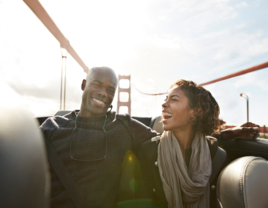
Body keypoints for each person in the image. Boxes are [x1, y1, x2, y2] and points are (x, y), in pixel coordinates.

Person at [40, 67, 259, 208]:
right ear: (83, 85)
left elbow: (179, 141)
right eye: (97, 84)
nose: (103, 93)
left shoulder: (124, 126)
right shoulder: (50, 127)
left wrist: (228, 133)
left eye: (111, 90)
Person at [141, 79, 260, 208]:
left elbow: (210, 142)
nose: (164, 104)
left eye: (173, 99)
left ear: (195, 112)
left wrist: (230, 133)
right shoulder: (148, 152)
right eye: (165, 99)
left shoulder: (215, 154)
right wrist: (229, 133)